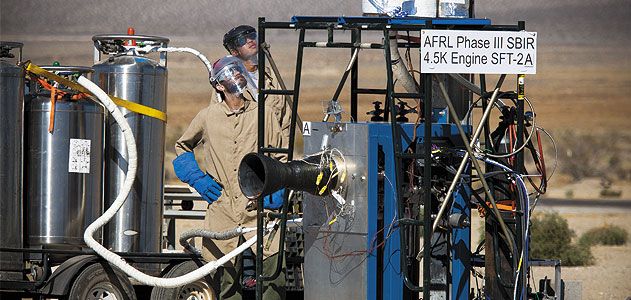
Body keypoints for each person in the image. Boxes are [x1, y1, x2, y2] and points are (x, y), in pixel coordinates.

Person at [173, 56, 287, 299]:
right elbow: (182, 147)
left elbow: (281, 155)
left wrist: (277, 186)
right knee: (225, 284)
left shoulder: (263, 114)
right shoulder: (207, 116)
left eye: (238, 71)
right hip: (222, 210)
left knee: (273, 279)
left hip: (259, 209)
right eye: (230, 74)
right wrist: (197, 179)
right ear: (218, 85)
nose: (236, 76)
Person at [222, 25, 292, 136]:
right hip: (244, 148)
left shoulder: (272, 77)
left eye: (252, 36)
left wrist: (283, 150)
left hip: (272, 148)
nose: (250, 41)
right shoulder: (227, 82)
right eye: (242, 40)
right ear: (234, 51)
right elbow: (218, 119)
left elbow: (286, 119)